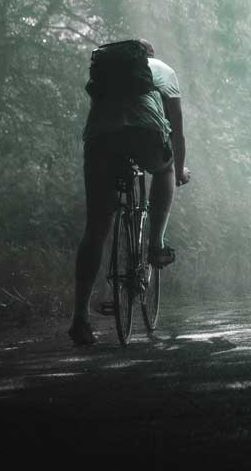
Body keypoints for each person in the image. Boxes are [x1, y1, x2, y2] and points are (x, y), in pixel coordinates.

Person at [70, 38, 189, 346]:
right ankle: (156, 244)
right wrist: (180, 167)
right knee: (166, 168)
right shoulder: (163, 70)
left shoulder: (104, 75)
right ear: (148, 55)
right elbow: (176, 123)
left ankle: (80, 318)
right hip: (145, 133)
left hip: (101, 139)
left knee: (95, 229)